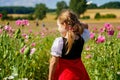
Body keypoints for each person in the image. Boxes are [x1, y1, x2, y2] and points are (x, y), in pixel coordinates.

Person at [48, 9, 90, 80]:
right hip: (80, 73)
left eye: (58, 26)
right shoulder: (82, 37)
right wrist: (76, 24)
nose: (58, 29)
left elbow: (53, 62)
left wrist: (50, 78)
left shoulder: (59, 42)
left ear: (64, 25)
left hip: (65, 75)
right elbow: (86, 26)